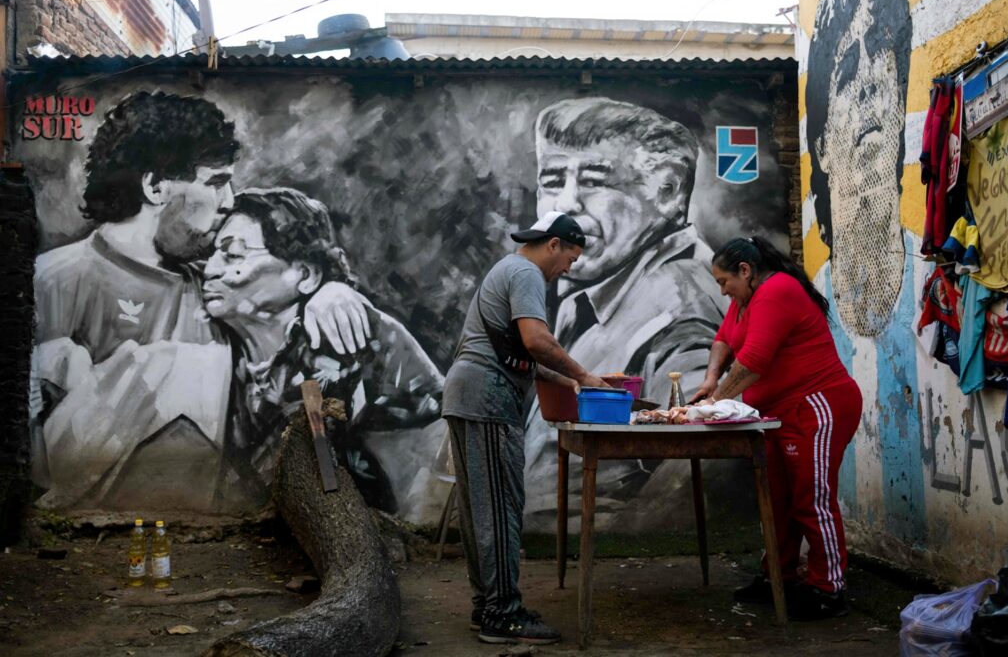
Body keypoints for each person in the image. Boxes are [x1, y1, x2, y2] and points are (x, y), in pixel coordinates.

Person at [32, 91, 370, 511]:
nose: (229, 201)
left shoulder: (215, 285)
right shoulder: (52, 281)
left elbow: (285, 312)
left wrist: (330, 291)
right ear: (155, 186)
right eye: (215, 181)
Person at [523, 97, 726, 530]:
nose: (567, 203)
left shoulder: (678, 308)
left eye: (595, 181)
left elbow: (714, 453)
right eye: (552, 180)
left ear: (668, 192)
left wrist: (622, 535)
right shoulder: (593, 286)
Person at [202, 188, 444, 511]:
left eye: (232, 255)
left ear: (305, 274)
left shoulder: (356, 334)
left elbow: (444, 428)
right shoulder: (209, 340)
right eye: (213, 253)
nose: (209, 269)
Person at [442, 211, 609, 645]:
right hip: (487, 397)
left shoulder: (508, 270)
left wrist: (571, 379)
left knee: (483, 507)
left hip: (468, 393)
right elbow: (538, 341)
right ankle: (503, 613)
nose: (569, 269)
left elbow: (525, 356)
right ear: (553, 244)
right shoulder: (527, 272)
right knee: (500, 508)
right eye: (570, 258)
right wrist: (586, 376)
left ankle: (487, 606)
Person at [690, 236, 862, 620]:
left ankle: (828, 587)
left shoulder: (777, 291)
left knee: (811, 498)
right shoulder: (745, 301)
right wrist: (710, 379)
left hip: (815, 406)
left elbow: (752, 362)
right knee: (778, 499)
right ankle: (777, 577)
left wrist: (715, 403)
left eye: (724, 282)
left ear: (746, 271)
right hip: (776, 413)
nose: (722, 290)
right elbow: (724, 340)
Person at [805, 0, 912, 337]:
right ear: (822, 148)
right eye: (847, 70)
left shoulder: (932, 267)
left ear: (900, 99)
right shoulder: (815, 300)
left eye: (880, 47)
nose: (867, 80)